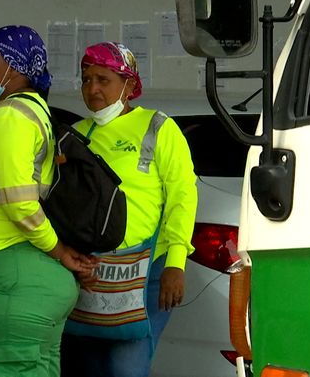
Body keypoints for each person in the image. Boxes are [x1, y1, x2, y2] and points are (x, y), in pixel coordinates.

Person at [0, 25, 99, 377]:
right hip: (27, 281)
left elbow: (18, 202)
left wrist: (58, 250)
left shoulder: (10, 116)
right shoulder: (35, 113)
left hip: (13, 281)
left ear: (13, 69)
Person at [60, 41, 198, 377]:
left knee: (126, 367)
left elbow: (182, 195)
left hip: (149, 271)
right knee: (88, 367)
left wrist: (176, 263)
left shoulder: (158, 127)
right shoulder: (76, 136)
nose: (92, 89)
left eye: (103, 80)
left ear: (129, 84)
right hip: (92, 272)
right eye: (86, 79)